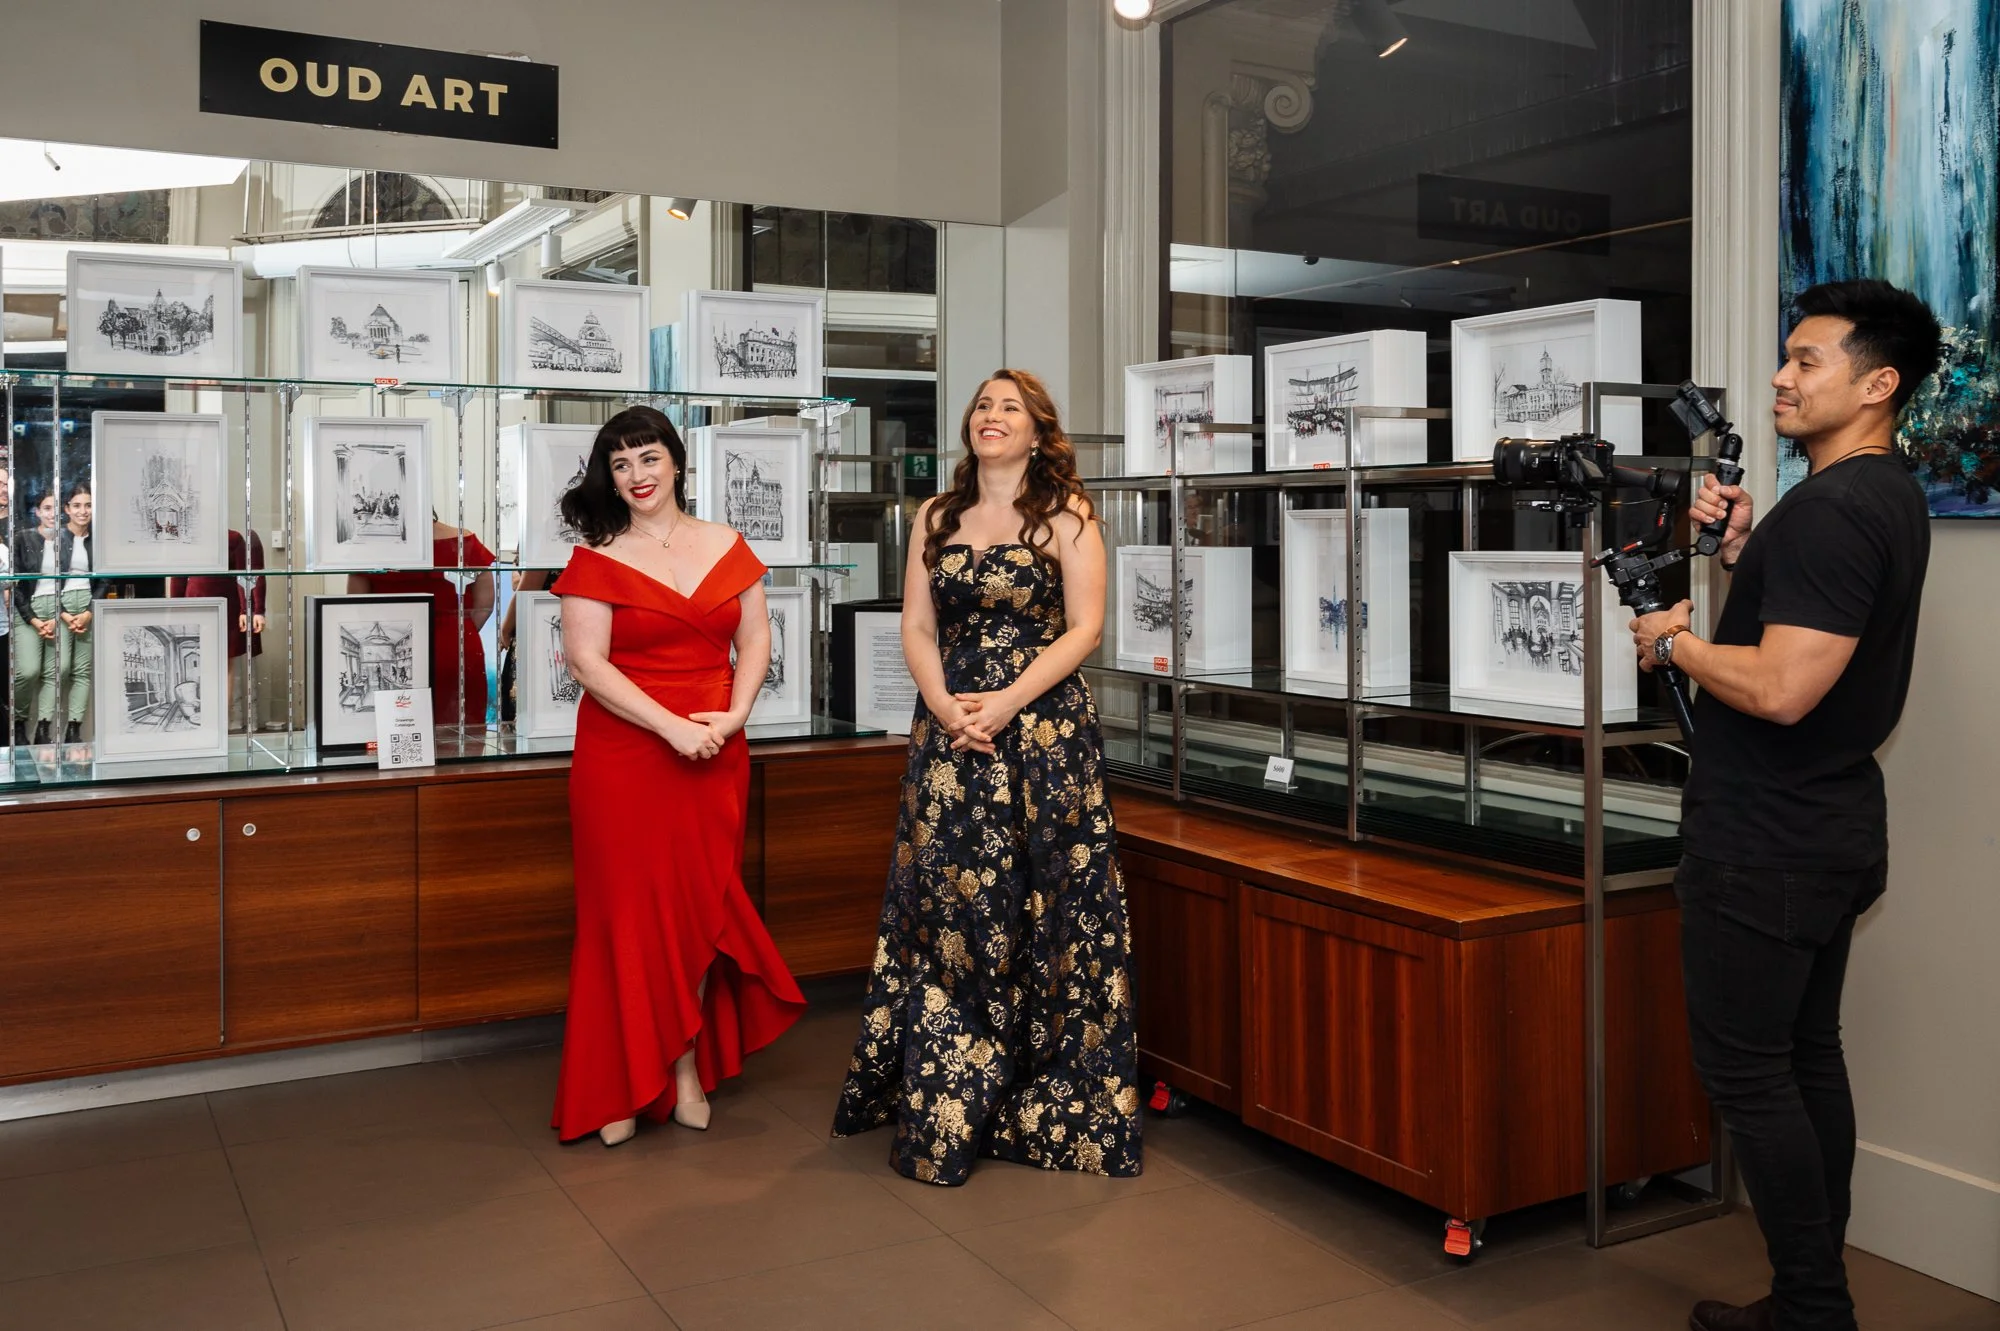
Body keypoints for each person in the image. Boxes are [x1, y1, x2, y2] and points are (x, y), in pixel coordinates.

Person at [1627, 280, 1940, 1331]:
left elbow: (1781, 687)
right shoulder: (1881, 492)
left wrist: (1671, 639)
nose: (1780, 376)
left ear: (1877, 383)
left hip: (1766, 841)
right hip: (1829, 827)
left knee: (1749, 1072)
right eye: (1785, 356)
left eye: (1807, 360)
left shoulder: (1834, 509)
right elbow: (1805, 638)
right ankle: (1809, 1298)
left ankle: (1812, 1308)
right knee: (1805, 1055)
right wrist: (1742, 553)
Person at [831, 369, 1141, 1186]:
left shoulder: (1068, 515)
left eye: (1011, 407)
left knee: (1046, 901)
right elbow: (916, 622)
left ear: (1038, 432)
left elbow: (1085, 629)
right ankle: (951, 1098)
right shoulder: (935, 514)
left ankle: (1043, 1098)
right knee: (954, 903)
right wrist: (944, 705)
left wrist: (1003, 703)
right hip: (951, 735)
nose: (991, 416)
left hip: (1042, 735)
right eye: (982, 405)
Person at [548, 405, 805, 1147]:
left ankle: (683, 1065)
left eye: (649, 457)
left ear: (677, 462)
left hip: (715, 749)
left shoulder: (727, 545)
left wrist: (735, 715)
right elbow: (587, 664)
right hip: (626, 757)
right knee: (625, 917)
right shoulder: (597, 558)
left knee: (695, 912)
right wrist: (670, 727)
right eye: (621, 463)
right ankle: (621, 1080)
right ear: (609, 477)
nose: (638, 475)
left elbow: (757, 639)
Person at [350, 516, 496, 729]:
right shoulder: (464, 540)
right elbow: (484, 604)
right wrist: (458, 627)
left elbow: (358, 607)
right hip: (455, 642)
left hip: (392, 643)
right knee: (461, 733)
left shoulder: (369, 545)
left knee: (396, 727)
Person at [169, 529, 268, 730]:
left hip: (227, 605)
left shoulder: (233, 538)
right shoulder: (187, 538)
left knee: (224, 664)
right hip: (195, 603)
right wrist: (176, 608)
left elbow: (245, 574)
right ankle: (204, 724)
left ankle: (221, 724)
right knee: (202, 663)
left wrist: (249, 609)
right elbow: (178, 575)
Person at [9, 491, 58, 746]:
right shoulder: (23, 538)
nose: (52, 513)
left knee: (55, 672)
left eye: (56, 508)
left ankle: (43, 729)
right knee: (28, 671)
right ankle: (18, 722)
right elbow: (16, 585)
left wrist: (59, 615)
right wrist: (33, 619)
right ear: (37, 512)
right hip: (28, 612)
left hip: (58, 613)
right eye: (47, 508)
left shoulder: (69, 540)